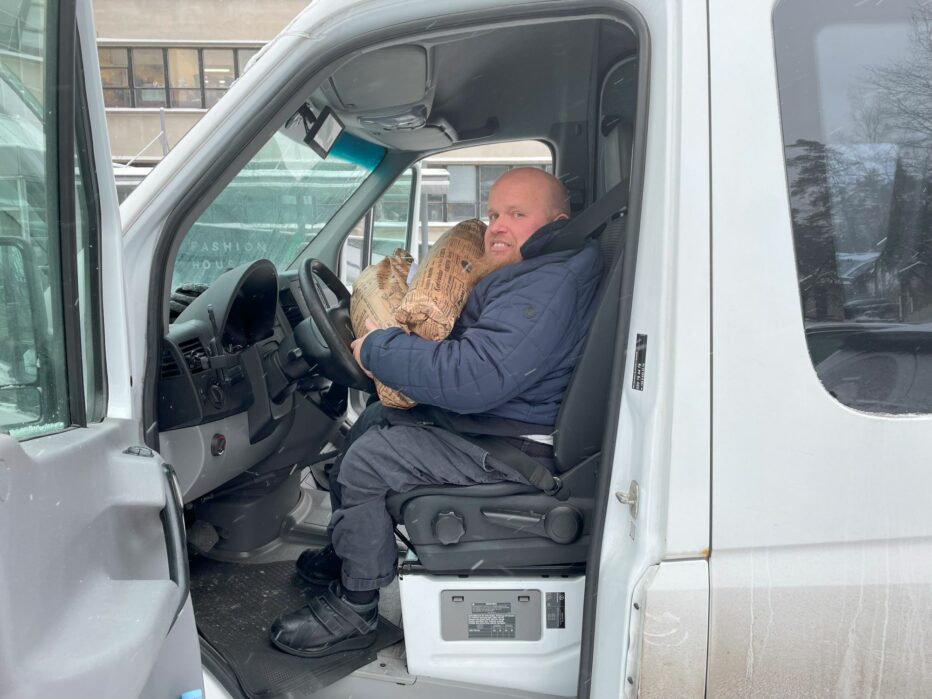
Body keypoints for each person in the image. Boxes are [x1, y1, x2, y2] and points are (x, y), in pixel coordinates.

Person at [269, 167, 603, 657]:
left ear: (557, 223)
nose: (497, 227)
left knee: (369, 461)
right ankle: (351, 550)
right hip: (498, 419)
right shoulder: (537, 268)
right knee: (375, 419)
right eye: (493, 214)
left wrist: (377, 349)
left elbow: (476, 377)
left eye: (516, 215)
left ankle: (356, 606)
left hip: (514, 442)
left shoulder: (548, 283)